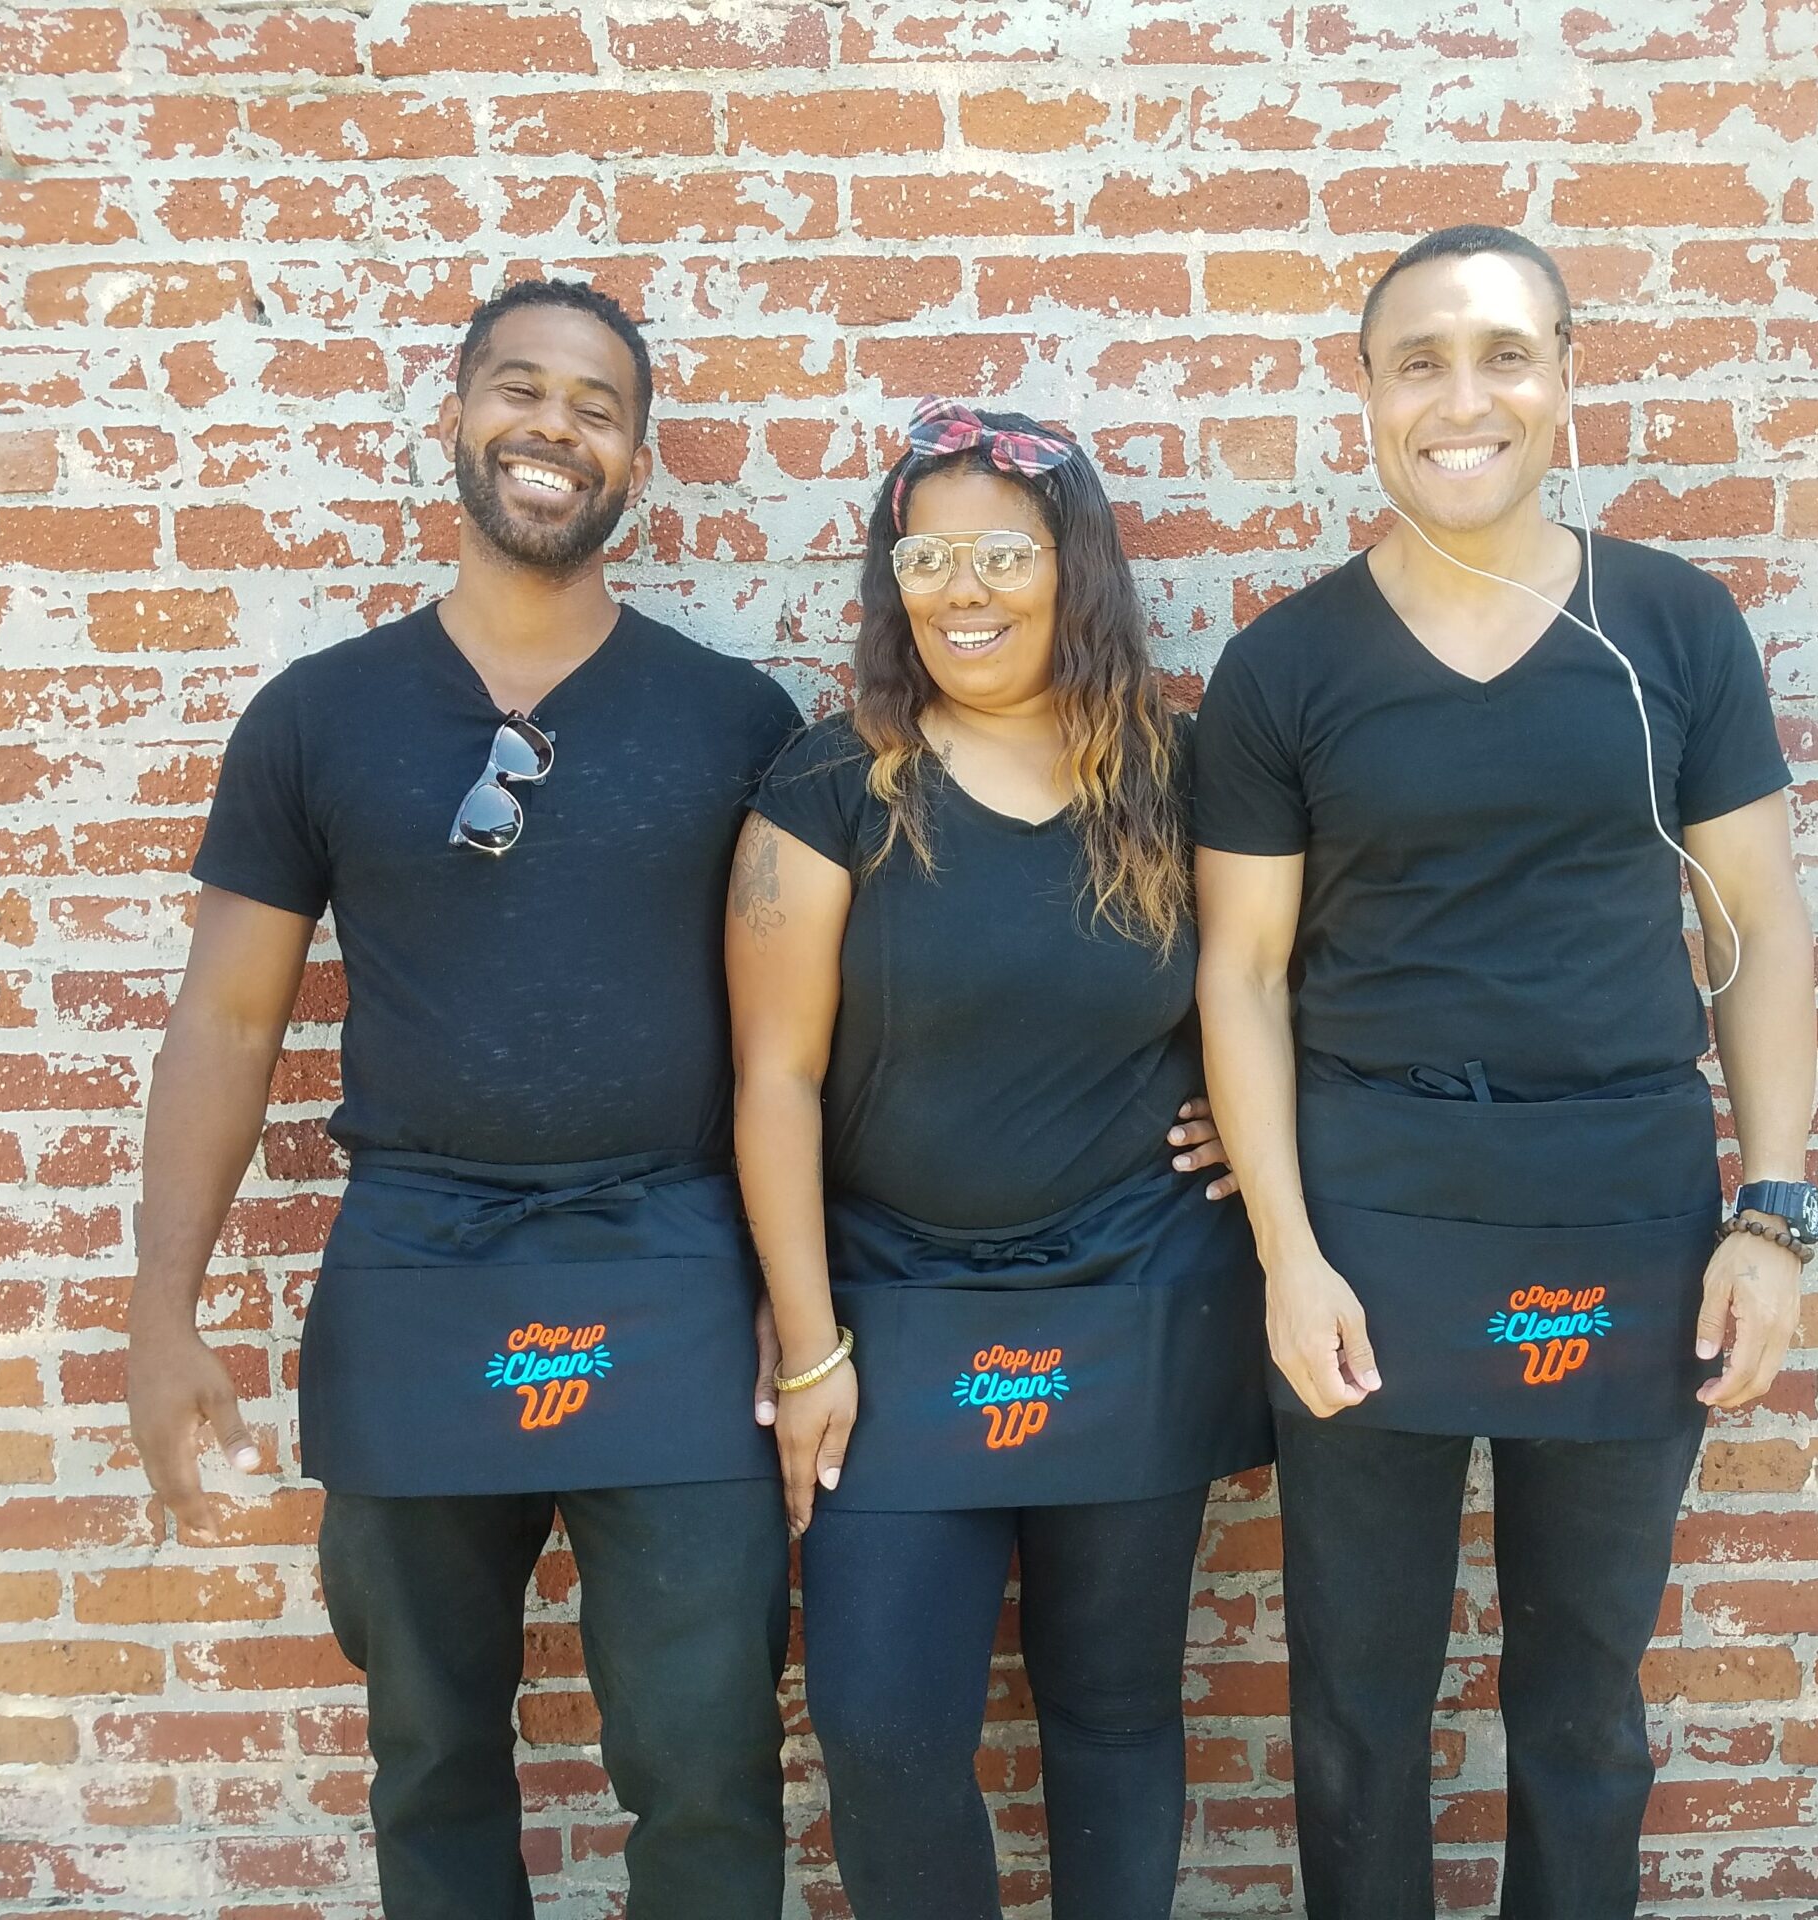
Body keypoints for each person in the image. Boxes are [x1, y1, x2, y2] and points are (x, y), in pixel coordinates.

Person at [125, 278, 802, 1920]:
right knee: (429, 1753)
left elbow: (808, 1044)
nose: (552, 428)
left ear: (638, 458)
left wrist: (809, 1298)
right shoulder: (319, 717)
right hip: (418, 1261)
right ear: (453, 418)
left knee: (706, 1757)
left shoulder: (736, 720)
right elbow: (225, 1020)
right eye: (520, 390)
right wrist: (161, 1311)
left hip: (673, 1262)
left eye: (595, 405)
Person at [1191, 226, 1818, 1919]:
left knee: (1582, 1710)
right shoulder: (1286, 667)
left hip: (1626, 1209)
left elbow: (1756, 928)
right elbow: (1241, 975)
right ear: (1368, 393)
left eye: (1502, 354)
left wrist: (1772, 1213)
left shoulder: (1675, 627)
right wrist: (1286, 1251)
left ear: (1564, 374)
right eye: (1419, 360)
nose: (1461, 398)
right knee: (1356, 1712)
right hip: (1373, 1220)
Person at [727, 400, 1273, 1919]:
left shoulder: (1183, 776)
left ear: (1073, 567)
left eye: (1002, 554)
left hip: (1135, 1294)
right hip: (893, 1310)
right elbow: (774, 1074)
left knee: (1113, 1715)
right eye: (927, 555)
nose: (962, 590)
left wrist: (1262, 1106)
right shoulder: (832, 780)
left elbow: (1278, 980)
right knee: (885, 1728)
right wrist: (812, 1340)